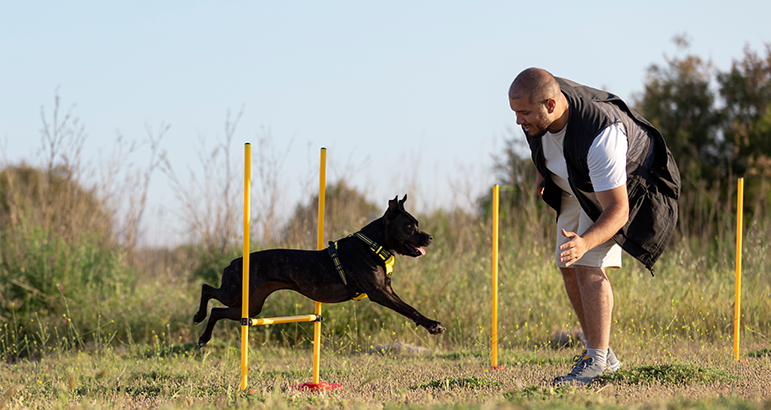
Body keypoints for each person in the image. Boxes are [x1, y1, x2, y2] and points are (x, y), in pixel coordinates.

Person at [508, 68, 680, 386]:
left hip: (619, 186)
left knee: (586, 261)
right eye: (515, 112)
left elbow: (617, 210)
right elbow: (543, 143)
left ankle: (596, 363)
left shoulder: (602, 137)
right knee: (566, 262)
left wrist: (586, 242)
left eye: (524, 113)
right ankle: (601, 353)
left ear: (550, 104)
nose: (519, 121)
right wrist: (543, 174)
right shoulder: (536, 109)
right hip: (577, 179)